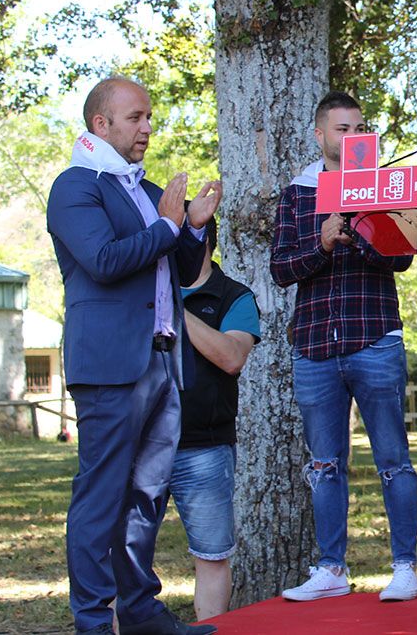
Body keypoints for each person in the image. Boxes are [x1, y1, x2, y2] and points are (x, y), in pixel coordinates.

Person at [48, 76, 221, 635]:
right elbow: (103, 260)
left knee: (147, 496)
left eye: (149, 117)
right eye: (136, 118)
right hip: (111, 365)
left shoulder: (145, 191)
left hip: (165, 361)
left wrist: (192, 227)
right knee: (102, 497)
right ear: (101, 124)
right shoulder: (75, 186)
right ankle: (94, 623)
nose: (148, 127)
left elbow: (182, 266)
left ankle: (142, 613)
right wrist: (170, 224)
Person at [270, 91, 417, 603]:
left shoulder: (384, 187)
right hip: (313, 346)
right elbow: (281, 269)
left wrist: (362, 227)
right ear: (320, 135)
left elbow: (401, 260)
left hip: (374, 338)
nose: (353, 137)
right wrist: (322, 240)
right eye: (342, 129)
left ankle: (404, 567)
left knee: (394, 459)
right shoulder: (297, 193)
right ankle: (331, 569)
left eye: (360, 128)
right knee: (324, 464)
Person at [170, 214, 260, 621]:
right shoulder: (137, 290)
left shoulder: (234, 296)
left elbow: (230, 356)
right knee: (124, 552)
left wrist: (174, 310)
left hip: (204, 449)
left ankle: (210, 629)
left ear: (202, 241)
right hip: (140, 443)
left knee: (211, 556)